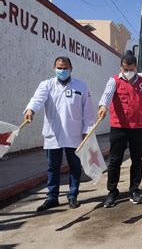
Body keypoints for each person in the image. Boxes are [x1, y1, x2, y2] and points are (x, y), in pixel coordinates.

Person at [24, 56, 95, 212]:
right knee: (52, 167)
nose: (61, 70)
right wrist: (31, 109)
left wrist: (87, 131)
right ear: (54, 68)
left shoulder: (81, 86)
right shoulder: (47, 85)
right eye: (59, 67)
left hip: (74, 133)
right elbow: (37, 99)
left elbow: (88, 111)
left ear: (71, 68)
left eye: (64, 67)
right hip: (53, 134)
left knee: (75, 166)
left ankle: (72, 195)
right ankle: (52, 198)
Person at [98, 54, 142, 208]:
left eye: (131, 69)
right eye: (125, 69)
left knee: (137, 160)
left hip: (138, 127)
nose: (128, 72)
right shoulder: (114, 81)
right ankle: (112, 191)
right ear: (121, 67)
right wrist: (103, 106)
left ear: (136, 67)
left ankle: (134, 190)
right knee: (115, 160)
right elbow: (106, 97)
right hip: (119, 128)